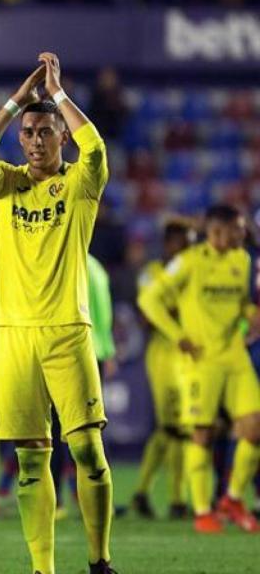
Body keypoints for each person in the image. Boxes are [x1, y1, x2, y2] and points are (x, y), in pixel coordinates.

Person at [0, 52, 115, 574]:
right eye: (27, 132)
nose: (33, 140)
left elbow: (96, 147)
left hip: (68, 333)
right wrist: (16, 101)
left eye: (44, 132)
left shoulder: (79, 186)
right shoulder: (6, 185)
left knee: (89, 452)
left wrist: (59, 94)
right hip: (13, 336)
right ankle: (42, 568)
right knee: (30, 461)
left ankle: (99, 560)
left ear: (60, 138)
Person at [138, 204, 260, 534]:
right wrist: (177, 336)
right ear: (210, 231)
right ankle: (204, 511)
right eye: (221, 233)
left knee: (254, 429)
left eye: (234, 232)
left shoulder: (243, 261)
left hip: (235, 357)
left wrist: (250, 315)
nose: (229, 238)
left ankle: (233, 499)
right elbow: (149, 299)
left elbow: (242, 303)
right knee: (202, 434)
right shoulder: (189, 262)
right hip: (201, 361)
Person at [127, 220, 193, 520]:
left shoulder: (191, 271)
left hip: (190, 354)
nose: (186, 250)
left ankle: (144, 493)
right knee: (174, 428)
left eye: (190, 243)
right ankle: (177, 499)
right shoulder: (151, 274)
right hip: (163, 352)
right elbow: (145, 317)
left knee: (181, 429)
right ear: (168, 244)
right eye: (182, 243)